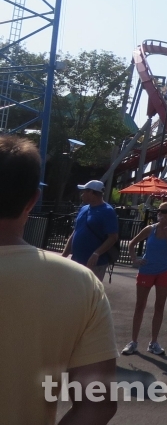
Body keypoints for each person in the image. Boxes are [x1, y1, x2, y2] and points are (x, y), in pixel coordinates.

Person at [0, 136, 117, 424]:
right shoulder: (84, 286)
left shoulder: (106, 213)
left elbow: (111, 236)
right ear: (32, 200)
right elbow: (97, 403)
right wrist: (63, 258)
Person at [122, 201, 167, 356]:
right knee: (140, 305)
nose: (160, 213)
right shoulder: (150, 229)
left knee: (159, 306)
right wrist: (135, 259)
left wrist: (166, 228)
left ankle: (153, 342)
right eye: (159, 210)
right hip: (147, 269)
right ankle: (133, 341)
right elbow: (132, 243)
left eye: (164, 211)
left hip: (165, 270)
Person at [61, 178, 119, 281]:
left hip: (95, 263)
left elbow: (113, 237)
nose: (82, 195)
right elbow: (76, 231)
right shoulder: (84, 208)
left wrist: (96, 253)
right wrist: (65, 253)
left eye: (84, 192)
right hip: (76, 260)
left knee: (89, 293)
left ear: (92, 192)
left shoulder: (108, 211)